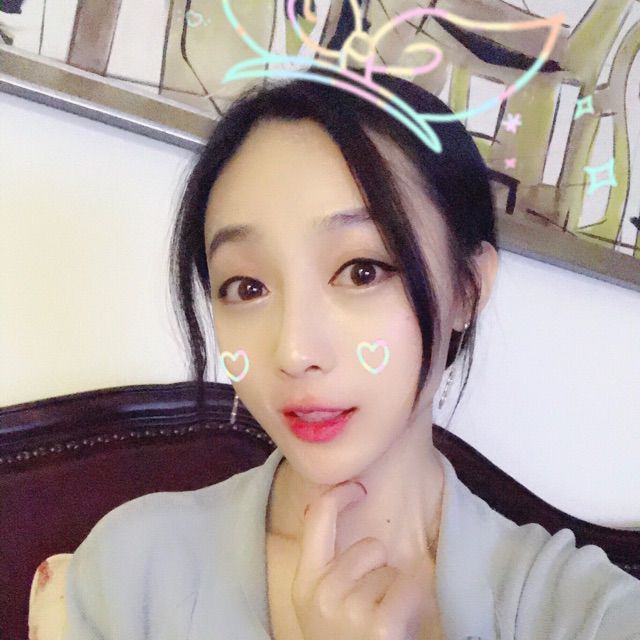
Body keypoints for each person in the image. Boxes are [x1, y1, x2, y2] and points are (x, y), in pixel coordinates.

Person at [62, 68, 640, 640]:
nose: (294, 352)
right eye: (246, 287)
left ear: (467, 289)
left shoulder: (585, 613)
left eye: (362, 271)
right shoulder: (131, 573)